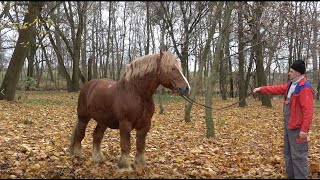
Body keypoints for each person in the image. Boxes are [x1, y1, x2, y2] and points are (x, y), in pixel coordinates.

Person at [253, 59, 314, 179]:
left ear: (298, 73)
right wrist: (261, 89)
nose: (288, 73)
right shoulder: (291, 85)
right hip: (289, 126)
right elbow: (277, 88)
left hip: (298, 129)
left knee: (299, 156)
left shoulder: (305, 88)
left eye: (291, 71)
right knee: (288, 153)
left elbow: (308, 111)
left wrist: (304, 130)